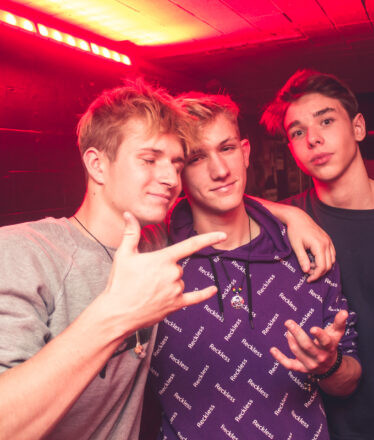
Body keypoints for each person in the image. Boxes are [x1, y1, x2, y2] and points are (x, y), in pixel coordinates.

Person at [0, 80, 229, 439]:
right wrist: (118, 314)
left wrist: (292, 216)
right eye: (149, 160)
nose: (171, 178)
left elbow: (223, 205)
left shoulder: (156, 243)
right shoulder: (25, 252)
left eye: (176, 164)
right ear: (97, 165)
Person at [148, 92, 361, 440]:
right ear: (177, 169)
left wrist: (329, 365)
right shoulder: (154, 256)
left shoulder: (305, 249)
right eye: (198, 157)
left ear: (245, 152)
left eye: (227, 148)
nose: (220, 171)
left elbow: (349, 381)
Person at [261, 69, 374, 440]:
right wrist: (290, 214)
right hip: (310, 429)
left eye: (326, 121)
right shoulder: (283, 226)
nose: (313, 138)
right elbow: (202, 204)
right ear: (292, 150)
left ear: (358, 127)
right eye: (298, 132)